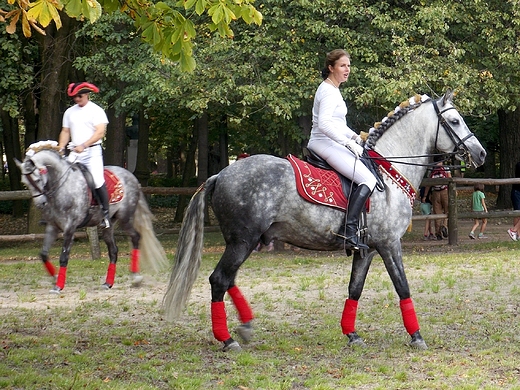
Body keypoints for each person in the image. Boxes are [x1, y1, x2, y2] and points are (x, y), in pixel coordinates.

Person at [307, 49, 377, 251]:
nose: (347, 69)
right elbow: (324, 125)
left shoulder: (333, 89)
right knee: (368, 179)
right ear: (331, 68)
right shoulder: (328, 91)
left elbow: (338, 123)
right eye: (342, 66)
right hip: (324, 142)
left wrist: (356, 136)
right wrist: (347, 143)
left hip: (331, 141)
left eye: (348, 65)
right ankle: (348, 231)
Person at [58, 82, 111, 229]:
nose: (76, 99)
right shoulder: (69, 112)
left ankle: (105, 214)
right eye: (74, 97)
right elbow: (65, 131)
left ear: (87, 94)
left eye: (79, 96)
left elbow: (100, 132)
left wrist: (84, 145)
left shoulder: (96, 110)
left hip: (92, 152)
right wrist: (61, 148)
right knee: (62, 177)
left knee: (97, 180)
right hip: (75, 151)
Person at [425, 158, 451, 240]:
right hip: (445, 192)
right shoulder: (446, 168)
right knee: (448, 211)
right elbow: (450, 179)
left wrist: (425, 195)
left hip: (435, 193)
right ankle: (445, 226)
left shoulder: (431, 169)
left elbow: (428, 184)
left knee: (437, 214)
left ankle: (438, 233)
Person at [507, 162, 520, 241]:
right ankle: (514, 231)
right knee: (517, 213)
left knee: (518, 214)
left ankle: (517, 233)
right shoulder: (519, 165)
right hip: (517, 192)